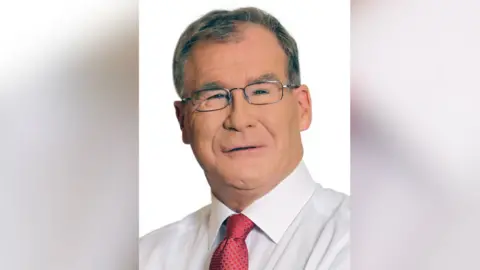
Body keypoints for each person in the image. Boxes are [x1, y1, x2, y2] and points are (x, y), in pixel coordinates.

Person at [140, 7, 350, 270]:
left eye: (261, 91)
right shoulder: (146, 257)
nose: (239, 120)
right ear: (183, 120)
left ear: (302, 108)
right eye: (214, 96)